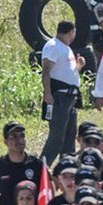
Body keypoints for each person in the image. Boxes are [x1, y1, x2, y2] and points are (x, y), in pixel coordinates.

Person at [40, 20, 84, 165]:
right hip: (59, 98)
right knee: (57, 137)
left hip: (70, 98)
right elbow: (46, 70)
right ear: (71, 31)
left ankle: (67, 168)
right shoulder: (53, 46)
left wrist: (78, 66)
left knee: (69, 137)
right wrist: (47, 93)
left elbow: (65, 73)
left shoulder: (65, 48)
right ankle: (41, 169)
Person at [0, 122, 42, 205]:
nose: (19, 140)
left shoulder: (36, 165)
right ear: (5, 142)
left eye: (22, 135)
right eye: (14, 136)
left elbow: (48, 190)